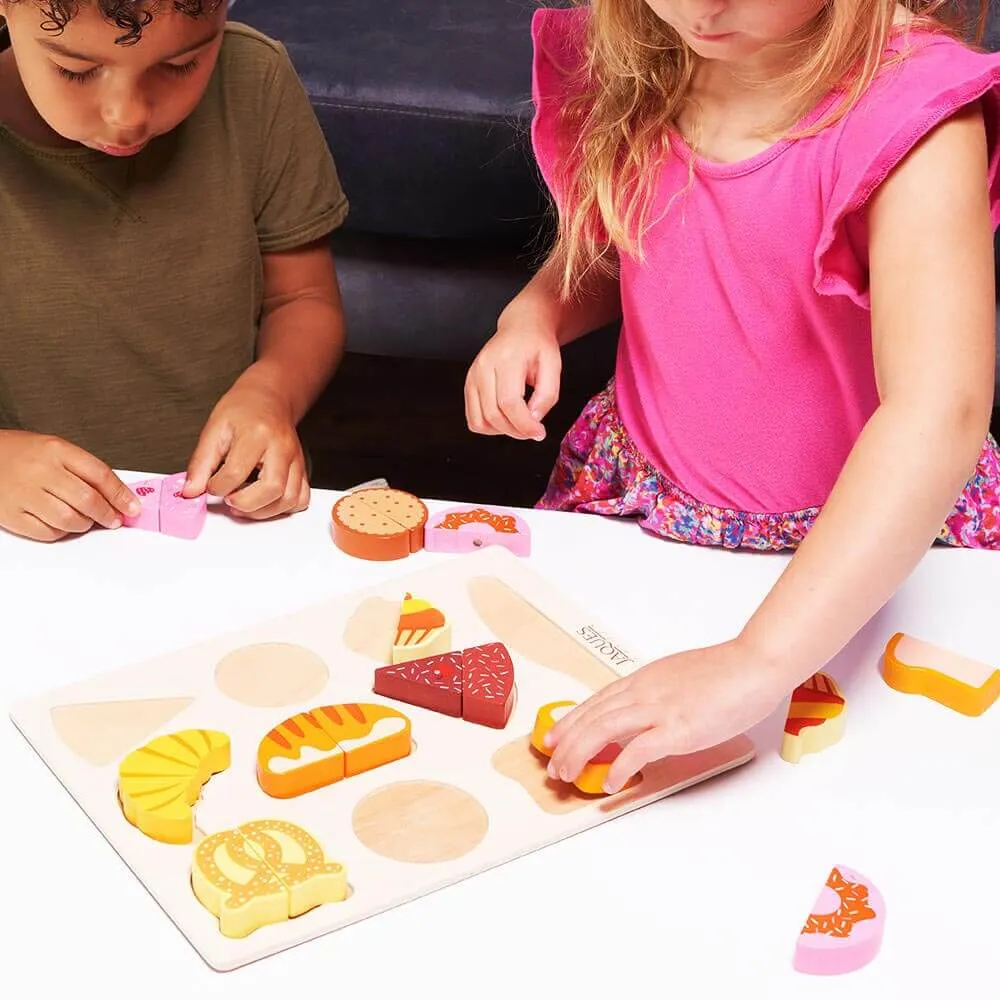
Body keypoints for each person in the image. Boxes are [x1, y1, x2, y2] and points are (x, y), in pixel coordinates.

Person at [464, 0, 1000, 792]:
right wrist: (536, 311)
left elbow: (940, 410)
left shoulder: (913, 110)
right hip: (645, 501)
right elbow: (635, 232)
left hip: (862, 542)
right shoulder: (654, 45)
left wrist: (757, 662)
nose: (701, 7)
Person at [0, 0, 348, 541]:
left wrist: (272, 393)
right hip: (30, 544)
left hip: (230, 522)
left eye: (181, 63)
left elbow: (302, 300)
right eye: (75, 70)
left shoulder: (255, 81)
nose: (127, 114)